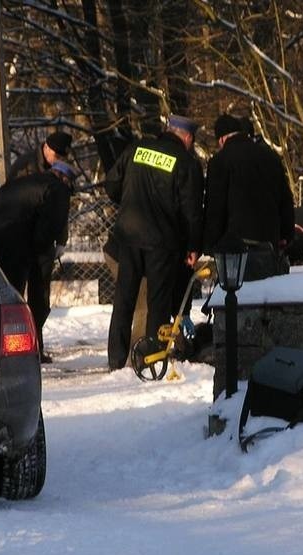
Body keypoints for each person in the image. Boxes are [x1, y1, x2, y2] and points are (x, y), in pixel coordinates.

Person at [104, 114, 204, 372]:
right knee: (157, 303)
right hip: (162, 242)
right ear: (188, 137)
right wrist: (194, 246)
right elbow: (192, 210)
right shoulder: (185, 162)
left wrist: (127, 203)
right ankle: (151, 358)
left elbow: (112, 185)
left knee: (124, 299)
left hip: (128, 236)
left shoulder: (136, 149)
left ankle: (116, 360)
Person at [0, 161, 76, 362]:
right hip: (16, 243)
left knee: (2, 295)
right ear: (65, 180)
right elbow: (48, 231)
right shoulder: (58, 189)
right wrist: (46, 252)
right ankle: (28, 349)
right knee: (33, 297)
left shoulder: (23, 181)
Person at [7, 130, 74, 362]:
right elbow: (12, 203)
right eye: (56, 154)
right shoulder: (24, 168)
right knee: (14, 295)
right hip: (20, 240)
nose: (58, 159)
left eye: (62, 156)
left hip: (43, 243)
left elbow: (61, 211)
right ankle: (16, 347)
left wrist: (61, 241)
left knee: (40, 299)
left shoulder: (60, 173)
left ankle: (36, 346)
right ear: (45, 148)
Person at [202, 113, 295, 281]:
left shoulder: (220, 161)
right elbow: (285, 200)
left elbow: (215, 208)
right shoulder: (271, 157)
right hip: (268, 244)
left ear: (222, 139)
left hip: (234, 248)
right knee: (266, 297)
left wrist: (211, 243)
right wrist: (285, 235)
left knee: (236, 298)